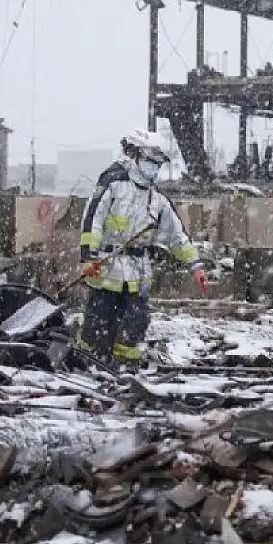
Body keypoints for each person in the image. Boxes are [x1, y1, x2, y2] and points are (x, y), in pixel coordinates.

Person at [77, 128, 208, 368]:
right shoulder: (112, 182)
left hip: (138, 274)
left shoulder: (157, 198)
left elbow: (177, 236)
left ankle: (125, 370)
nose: (154, 168)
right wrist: (88, 257)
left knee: (135, 325)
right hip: (106, 270)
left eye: (157, 164)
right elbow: (92, 221)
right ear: (134, 154)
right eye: (150, 161)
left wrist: (195, 266)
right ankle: (91, 366)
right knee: (98, 325)